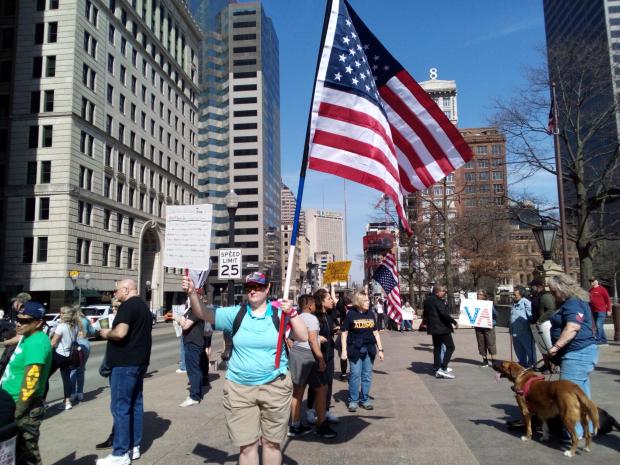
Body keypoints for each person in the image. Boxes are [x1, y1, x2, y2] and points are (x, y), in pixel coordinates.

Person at [183, 272, 307, 465]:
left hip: (275, 386)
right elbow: (204, 313)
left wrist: (291, 312)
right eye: (249, 287)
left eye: (258, 287)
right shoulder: (236, 313)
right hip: (239, 389)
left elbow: (303, 336)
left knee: (271, 444)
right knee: (247, 446)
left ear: (267, 289)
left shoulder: (279, 314)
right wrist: (192, 294)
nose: (253, 291)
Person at [97, 279, 152, 465]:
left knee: (120, 408)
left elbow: (120, 333)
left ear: (126, 290)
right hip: (138, 363)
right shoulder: (143, 307)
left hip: (123, 364)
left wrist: (106, 334)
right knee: (135, 405)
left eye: (117, 290)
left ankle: (120, 453)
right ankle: (134, 447)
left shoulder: (127, 307)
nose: (115, 293)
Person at [0, 301, 52, 465]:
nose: (18, 323)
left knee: (28, 454)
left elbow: (30, 383)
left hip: (23, 406)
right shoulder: (28, 336)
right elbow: (16, 337)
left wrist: (17, 414)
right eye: (18, 319)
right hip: (11, 402)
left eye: (25, 321)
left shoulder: (37, 343)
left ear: (39, 323)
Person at [548, 273, 598, 439]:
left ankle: (574, 432)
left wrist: (556, 347)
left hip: (577, 354)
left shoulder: (573, 303)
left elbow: (572, 328)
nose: (553, 295)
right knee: (583, 396)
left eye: (554, 291)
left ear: (562, 289)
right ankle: (588, 429)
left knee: (568, 396)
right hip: (581, 353)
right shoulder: (576, 302)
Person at [287, 294, 336, 439]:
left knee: (297, 392)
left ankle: (295, 425)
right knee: (322, 388)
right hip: (308, 355)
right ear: (309, 306)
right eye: (314, 304)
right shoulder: (312, 318)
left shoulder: (296, 317)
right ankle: (321, 424)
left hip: (296, 353)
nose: (315, 306)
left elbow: (290, 338)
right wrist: (320, 358)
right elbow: (313, 340)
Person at [341, 290, 384, 411]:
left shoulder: (370, 313)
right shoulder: (351, 314)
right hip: (355, 349)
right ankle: (353, 400)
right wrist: (344, 351)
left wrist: (380, 349)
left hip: (369, 349)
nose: (368, 302)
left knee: (367, 375)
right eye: (365, 300)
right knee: (355, 375)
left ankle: (365, 399)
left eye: (368, 300)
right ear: (359, 301)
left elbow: (376, 333)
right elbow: (344, 333)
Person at [306, 288, 339, 425]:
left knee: (329, 382)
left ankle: (325, 410)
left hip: (330, 354)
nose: (332, 300)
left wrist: (334, 330)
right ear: (321, 301)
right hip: (317, 354)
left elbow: (337, 316)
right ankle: (309, 410)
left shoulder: (330, 314)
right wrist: (317, 337)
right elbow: (307, 333)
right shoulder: (313, 316)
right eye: (329, 299)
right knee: (316, 384)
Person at [48, 305, 82, 410]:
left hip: (59, 355)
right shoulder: (75, 326)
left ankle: (42, 401)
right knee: (66, 379)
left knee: (45, 376)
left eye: (62, 313)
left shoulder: (61, 326)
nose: (60, 315)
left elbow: (53, 343)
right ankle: (67, 402)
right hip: (69, 356)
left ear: (66, 315)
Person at [173, 299, 206, 407]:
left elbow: (185, 325)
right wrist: (181, 318)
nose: (188, 299)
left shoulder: (196, 310)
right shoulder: (190, 310)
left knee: (193, 369)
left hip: (194, 343)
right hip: (191, 342)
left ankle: (194, 396)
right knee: (193, 369)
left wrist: (177, 318)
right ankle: (196, 393)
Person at [423, 285, 457, 379]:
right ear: (438, 292)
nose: (444, 292)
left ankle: (437, 367)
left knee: (437, 348)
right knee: (451, 347)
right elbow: (444, 314)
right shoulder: (438, 300)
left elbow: (425, 314)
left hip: (434, 329)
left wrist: (426, 323)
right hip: (442, 328)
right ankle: (443, 368)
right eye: (443, 291)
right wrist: (454, 322)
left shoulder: (427, 300)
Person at [69, 308, 96, 403]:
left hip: (74, 345)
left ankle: (72, 393)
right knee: (81, 369)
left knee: (72, 370)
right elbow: (92, 332)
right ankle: (80, 393)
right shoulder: (85, 320)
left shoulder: (71, 321)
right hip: (85, 343)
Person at [510, 286, 536, 368]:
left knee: (529, 348)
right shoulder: (513, 303)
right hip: (515, 331)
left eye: (515, 295)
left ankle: (532, 364)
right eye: (513, 294)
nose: (513, 296)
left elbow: (531, 316)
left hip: (525, 331)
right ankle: (522, 363)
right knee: (518, 349)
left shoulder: (526, 302)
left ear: (521, 294)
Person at [473, 290, 497, 367]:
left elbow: (495, 314)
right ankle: (485, 361)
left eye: (480, 294)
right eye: (478, 294)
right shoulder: (474, 304)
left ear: (484, 296)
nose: (478, 296)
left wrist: (492, 321)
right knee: (481, 343)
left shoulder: (489, 304)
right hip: (479, 326)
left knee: (491, 343)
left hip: (488, 326)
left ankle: (493, 361)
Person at [588, 277, 611, 346]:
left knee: (598, 325)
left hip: (601, 311)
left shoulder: (602, 289)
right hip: (594, 311)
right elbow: (589, 301)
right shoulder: (590, 290)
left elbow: (607, 300)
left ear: (597, 281)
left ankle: (597, 340)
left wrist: (609, 310)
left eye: (593, 280)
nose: (591, 282)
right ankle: (604, 341)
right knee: (600, 326)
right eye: (590, 281)